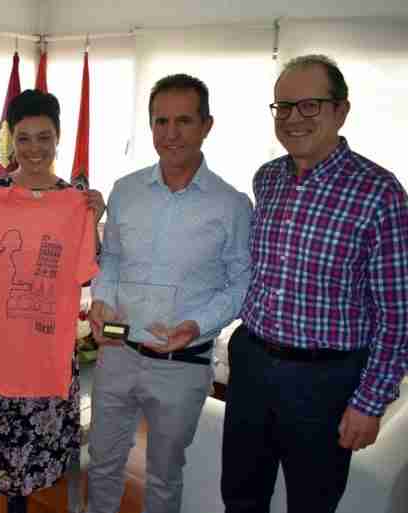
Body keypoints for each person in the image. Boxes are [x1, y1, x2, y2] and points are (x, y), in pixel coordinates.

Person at [221, 54, 408, 513]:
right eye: (283, 107)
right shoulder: (267, 179)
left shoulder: (379, 193)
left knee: (311, 503)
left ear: (341, 111)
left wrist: (370, 402)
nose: (292, 118)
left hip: (324, 382)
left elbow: (398, 315)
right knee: (240, 496)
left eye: (309, 105)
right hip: (252, 364)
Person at [86, 74, 253, 513]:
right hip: (118, 350)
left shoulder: (231, 205)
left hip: (183, 363)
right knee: (102, 463)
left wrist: (197, 324)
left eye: (184, 121)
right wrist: (101, 299)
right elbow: (112, 259)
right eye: (161, 121)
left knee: (163, 475)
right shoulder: (126, 190)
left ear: (206, 125)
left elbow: (242, 283)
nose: (171, 133)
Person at [0, 89, 105, 513]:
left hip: (41, 361)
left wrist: (94, 220)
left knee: (24, 478)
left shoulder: (76, 203)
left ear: (58, 138)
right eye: (23, 138)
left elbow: (88, 272)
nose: (34, 148)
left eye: (44, 137)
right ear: (11, 141)